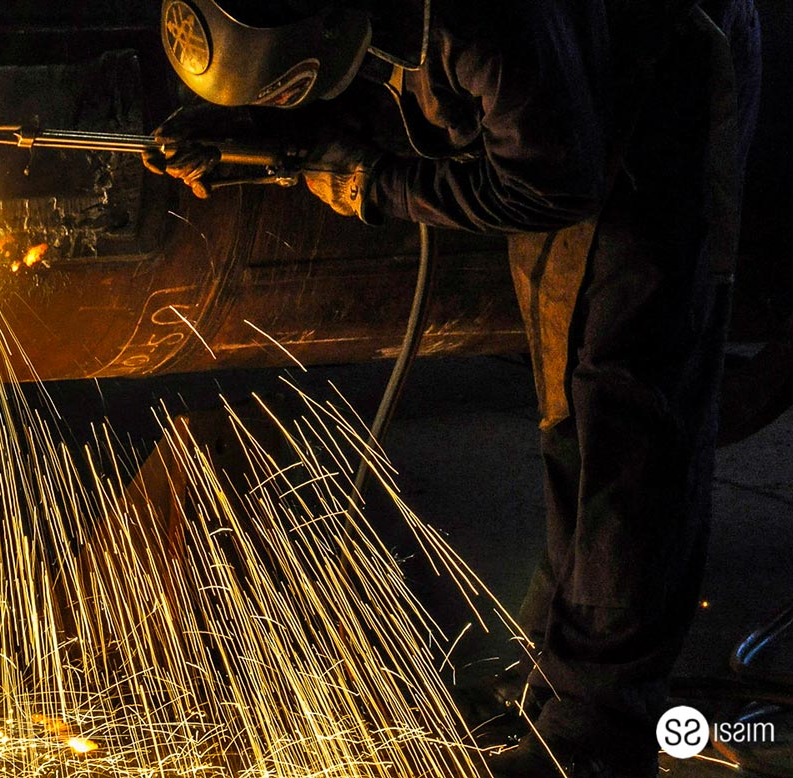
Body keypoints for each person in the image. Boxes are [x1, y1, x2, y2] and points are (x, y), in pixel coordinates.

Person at [145, 1, 762, 776]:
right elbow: (389, 85)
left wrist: (375, 185)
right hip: (565, 102)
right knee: (568, 401)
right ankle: (550, 680)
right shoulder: (400, 25)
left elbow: (547, 186)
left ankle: (595, 734)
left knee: (626, 422)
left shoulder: (488, 22)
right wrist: (253, 132)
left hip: (660, 104)